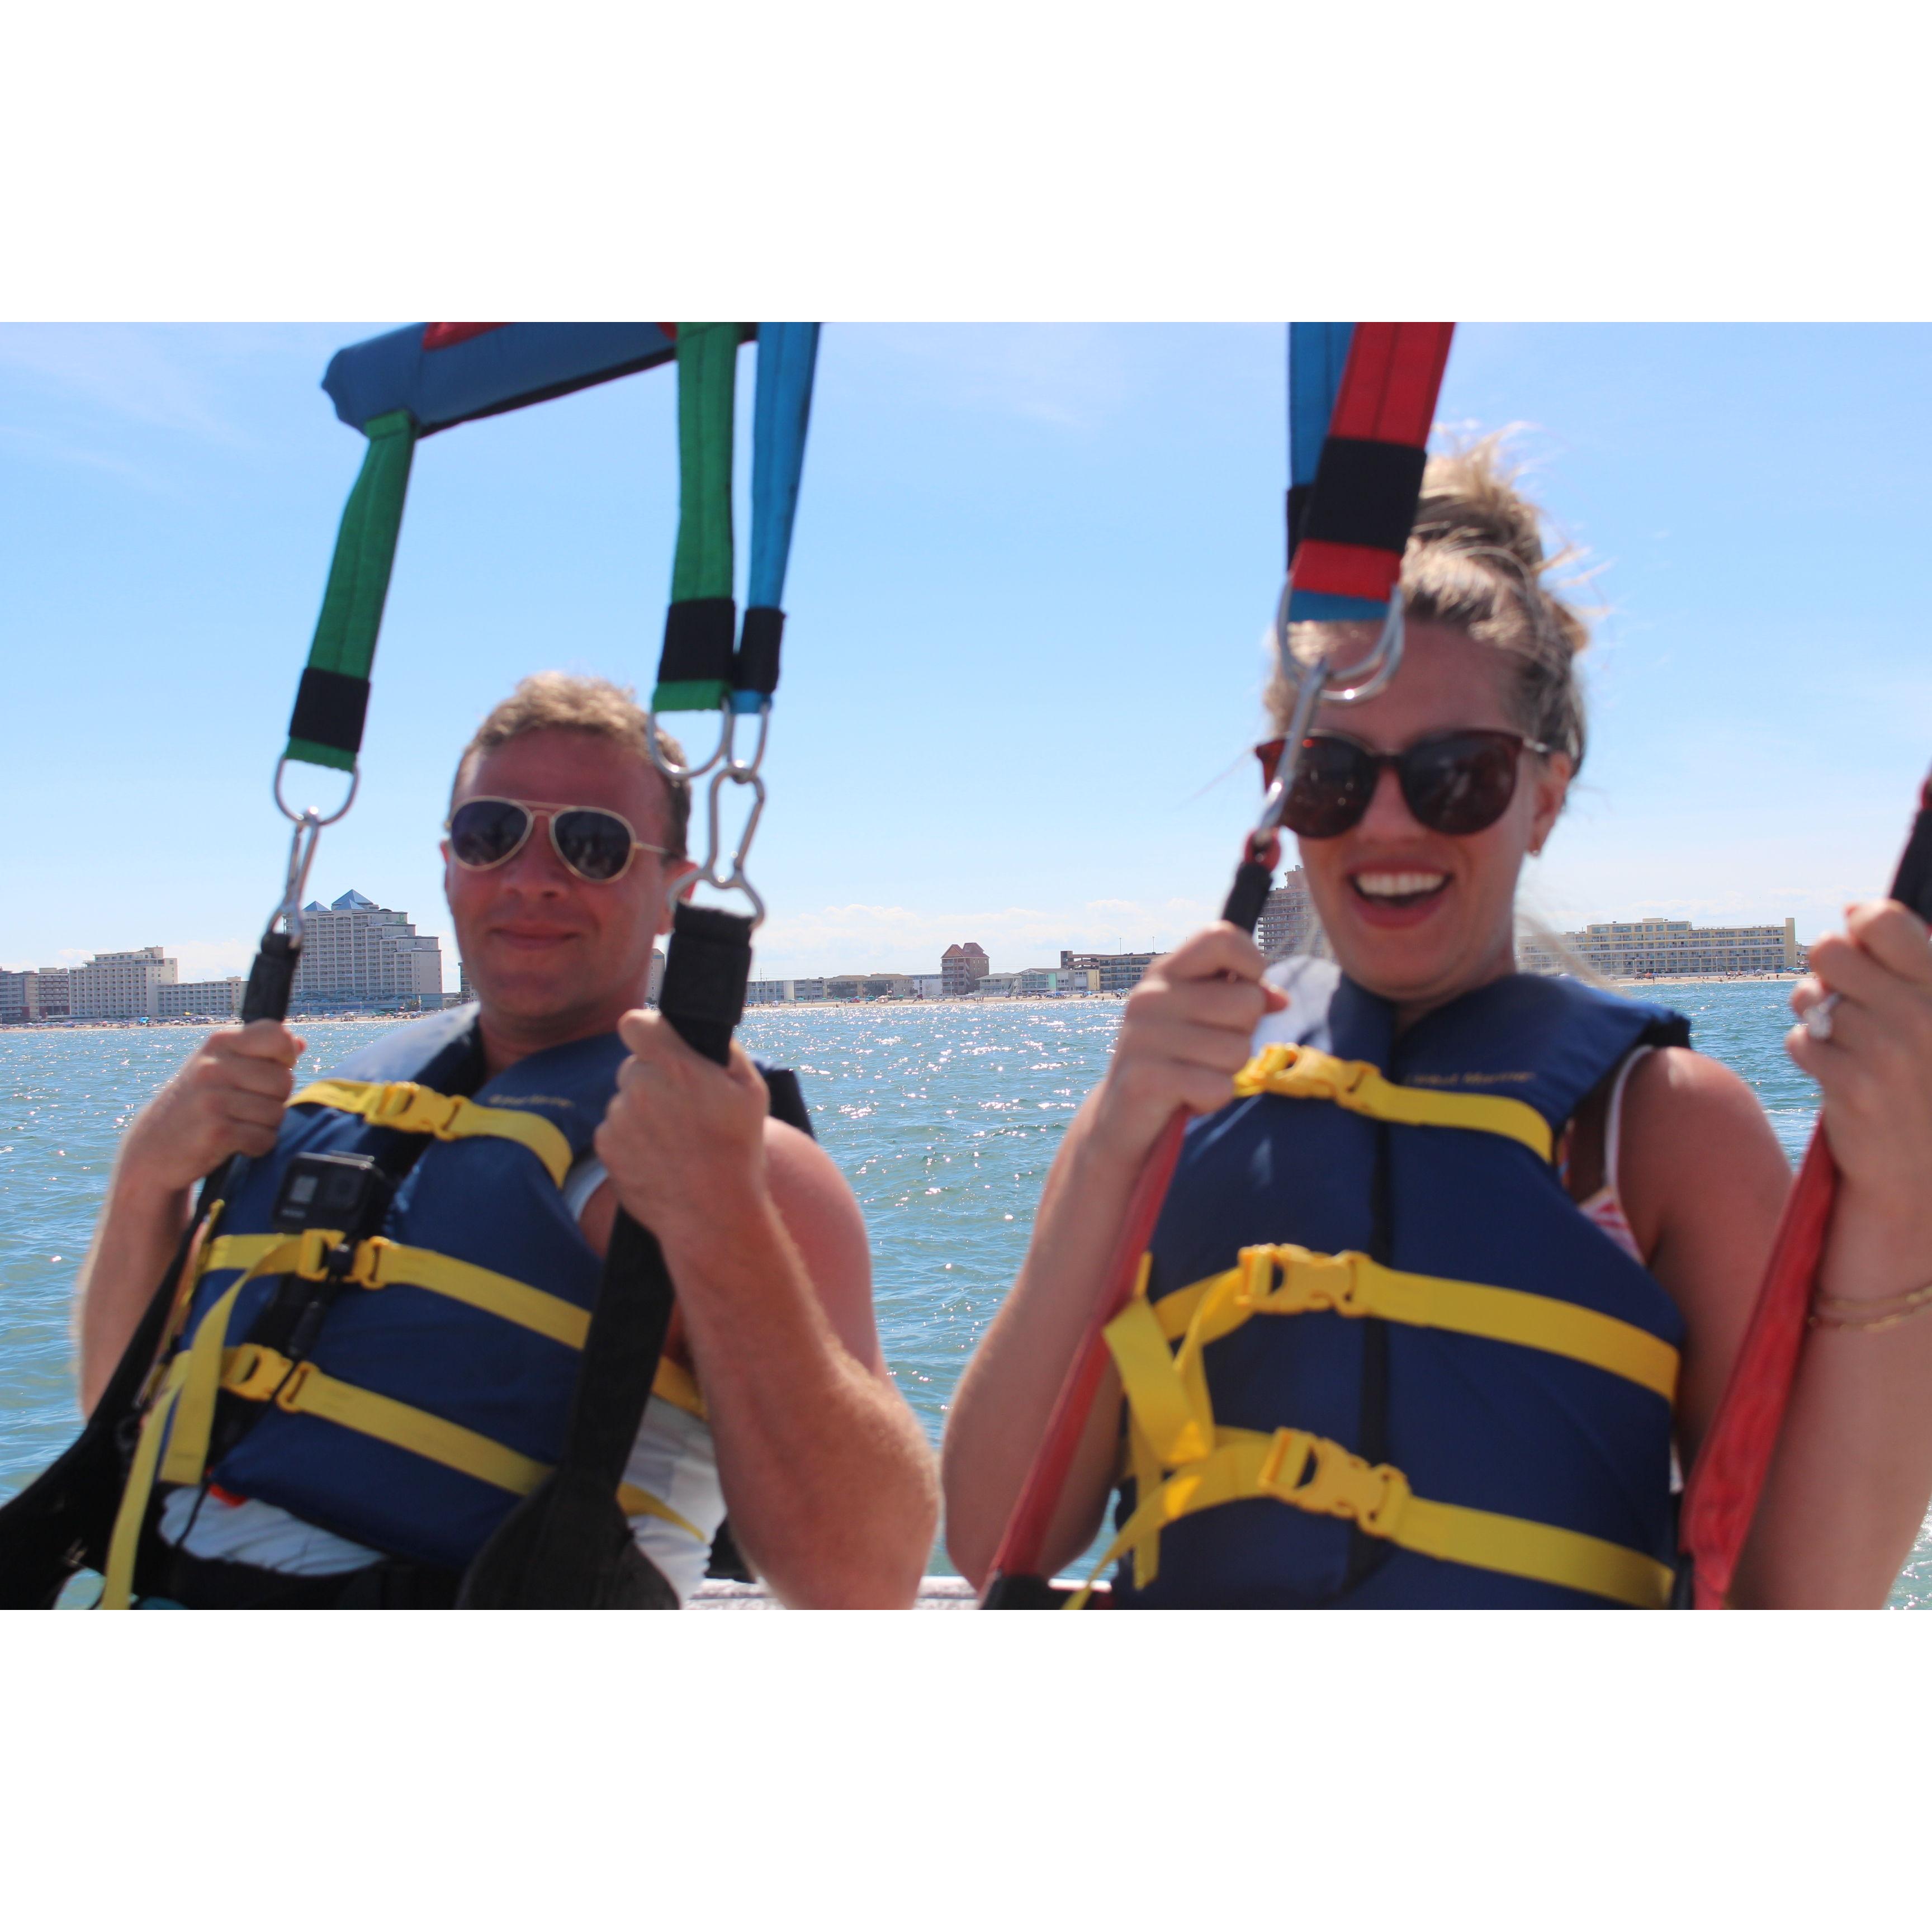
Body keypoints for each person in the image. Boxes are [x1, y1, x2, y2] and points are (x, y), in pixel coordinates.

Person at [943, 442, 1932, 1609]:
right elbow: (997, 1536)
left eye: (1458, 773)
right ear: (1282, 803)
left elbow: (1799, 1603)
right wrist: (1113, 1147)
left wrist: (1902, 1190)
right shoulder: (1170, 1108)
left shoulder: (1657, 1132)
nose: (1388, 826)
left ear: (1544, 800)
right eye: (1332, 775)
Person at [77, 672, 937, 1608]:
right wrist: (146, 1181)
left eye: (594, 845)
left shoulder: (747, 1170)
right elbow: (117, 1423)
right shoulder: (320, 1118)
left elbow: (862, 1583)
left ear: (671, 894)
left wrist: (725, 1217)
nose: (533, 878)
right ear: (449, 864)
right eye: (494, 836)